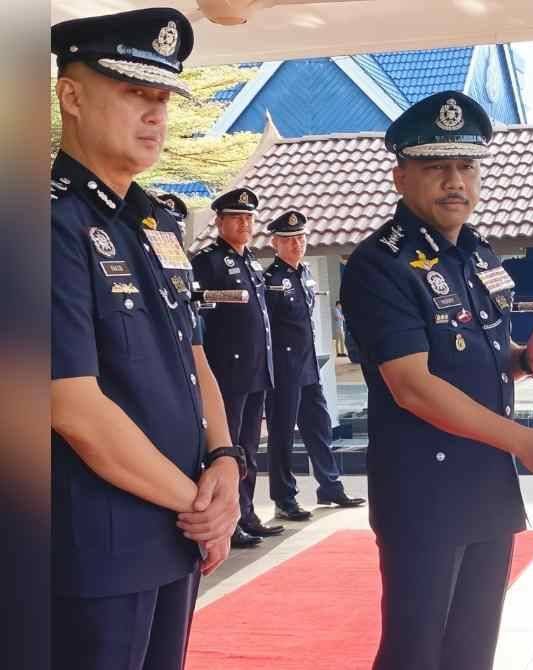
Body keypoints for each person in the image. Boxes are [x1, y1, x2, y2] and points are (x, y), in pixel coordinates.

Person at [340, 90, 533, 670]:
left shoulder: (478, 256)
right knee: (415, 653)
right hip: (424, 495)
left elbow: (487, 355)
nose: (455, 181)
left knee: (472, 651)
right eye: (436, 167)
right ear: (401, 176)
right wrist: (525, 440)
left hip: (487, 484)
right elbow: (412, 385)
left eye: (466, 166)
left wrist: (527, 360)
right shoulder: (381, 264)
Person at [50, 9, 244, 670]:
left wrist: (225, 459)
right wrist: (202, 507)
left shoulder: (157, 221)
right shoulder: (46, 222)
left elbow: (194, 355)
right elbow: (72, 406)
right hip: (96, 546)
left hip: (174, 530)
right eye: (136, 92)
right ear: (71, 96)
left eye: (163, 98)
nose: (156, 114)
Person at [192, 187, 283, 547]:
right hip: (227, 372)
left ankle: (246, 513)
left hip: (257, 369)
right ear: (219, 222)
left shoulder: (252, 261)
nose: (244, 223)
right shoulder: (209, 261)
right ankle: (227, 523)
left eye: (248, 218)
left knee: (249, 446)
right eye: (236, 218)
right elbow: (198, 314)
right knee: (226, 450)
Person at [263, 210, 366, 519]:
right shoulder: (271, 281)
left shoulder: (305, 273)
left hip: (308, 365)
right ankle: (285, 498)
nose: (297, 244)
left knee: (319, 427)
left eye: (301, 238)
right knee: (282, 434)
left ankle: (330, 487)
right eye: (289, 240)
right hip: (283, 368)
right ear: (275, 243)